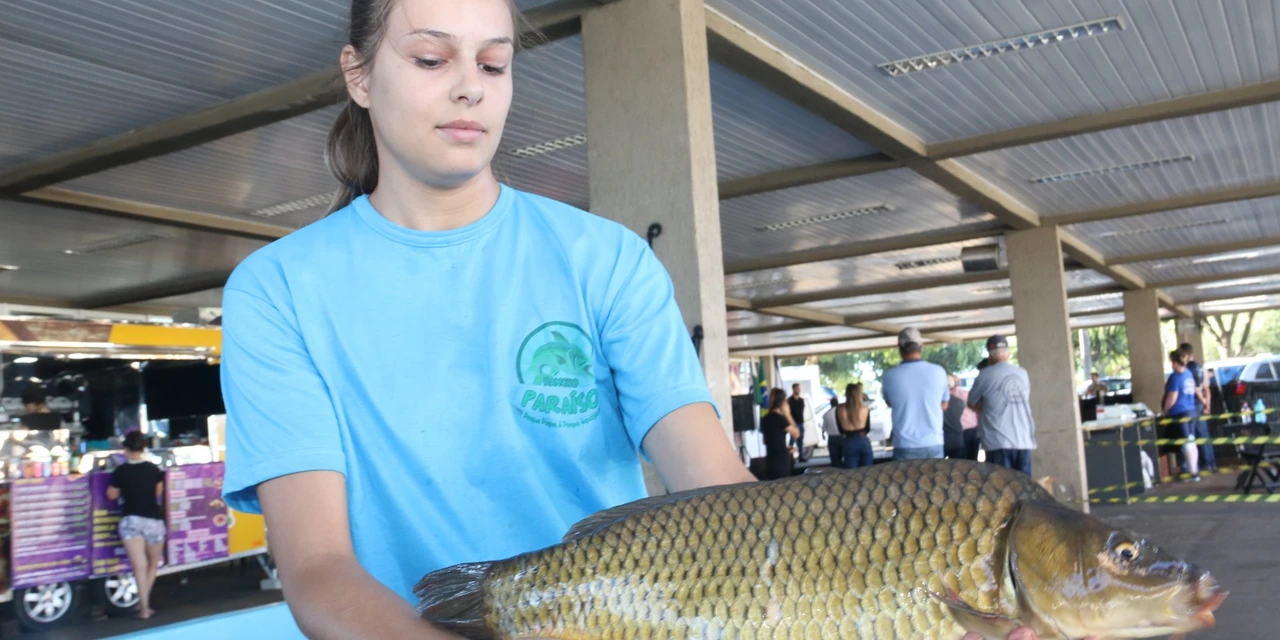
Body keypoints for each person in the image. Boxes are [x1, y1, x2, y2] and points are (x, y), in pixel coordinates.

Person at [217, 1, 757, 637]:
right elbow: (318, 568)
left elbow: (720, 494)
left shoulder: (605, 260)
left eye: (494, 63)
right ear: (359, 76)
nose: (470, 85)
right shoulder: (278, 289)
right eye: (430, 58)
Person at [107, 431, 166, 620]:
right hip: (153, 521)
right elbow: (158, 492)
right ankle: (143, 602)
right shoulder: (153, 469)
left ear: (125, 449)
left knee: (139, 567)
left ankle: (144, 609)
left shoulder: (120, 471)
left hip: (130, 521)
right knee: (152, 565)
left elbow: (112, 494)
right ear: (143, 448)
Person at [968, 335, 1037, 475]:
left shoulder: (984, 375)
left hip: (997, 442)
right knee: (1024, 489)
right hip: (1023, 440)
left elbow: (971, 403)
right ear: (1008, 352)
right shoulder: (1022, 373)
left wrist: (985, 403)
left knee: (1001, 490)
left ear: (989, 355)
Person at [881, 327, 948, 460]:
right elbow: (944, 405)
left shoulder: (889, 376)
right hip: (933, 442)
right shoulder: (939, 372)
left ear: (899, 347)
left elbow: (890, 402)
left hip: (904, 445)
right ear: (921, 346)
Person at [1164, 350, 1201, 482]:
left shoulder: (1175, 377)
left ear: (1173, 362)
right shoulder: (1188, 373)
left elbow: (1171, 398)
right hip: (1191, 411)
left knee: (1186, 443)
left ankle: (1193, 473)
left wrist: (1165, 410)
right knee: (1191, 441)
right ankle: (1194, 470)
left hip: (1180, 412)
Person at [1179, 342, 1216, 473]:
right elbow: (1206, 389)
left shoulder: (1188, 370)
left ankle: (1198, 465)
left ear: (1185, 354)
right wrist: (1207, 404)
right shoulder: (1201, 368)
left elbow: (1194, 389)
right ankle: (1211, 463)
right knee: (1204, 434)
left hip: (1193, 403)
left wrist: (1203, 400)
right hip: (1201, 404)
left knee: (1191, 435)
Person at [760, 388, 801, 480]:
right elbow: (796, 433)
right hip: (781, 459)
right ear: (784, 402)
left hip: (770, 457)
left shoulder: (766, 418)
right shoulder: (780, 418)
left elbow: (766, 440)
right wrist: (788, 414)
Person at [838, 383, 874, 468]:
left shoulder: (840, 409)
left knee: (851, 474)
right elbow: (867, 428)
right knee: (867, 472)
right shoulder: (865, 409)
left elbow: (840, 429)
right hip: (863, 440)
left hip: (849, 442)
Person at [943, 375, 979, 460]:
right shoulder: (967, 394)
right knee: (972, 462)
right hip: (972, 431)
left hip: (952, 434)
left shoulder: (943, 399)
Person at [787, 383, 808, 462]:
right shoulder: (789, 400)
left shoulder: (801, 400)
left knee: (800, 441)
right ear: (793, 389)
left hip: (801, 423)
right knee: (792, 441)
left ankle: (801, 457)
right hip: (793, 424)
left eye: (799, 388)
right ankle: (790, 458)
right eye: (797, 388)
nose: (798, 390)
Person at [820, 396, 843, 468]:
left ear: (830, 404)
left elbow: (824, 426)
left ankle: (835, 470)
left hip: (832, 438)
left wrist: (823, 434)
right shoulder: (842, 412)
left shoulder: (826, 414)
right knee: (842, 456)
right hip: (841, 436)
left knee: (834, 458)